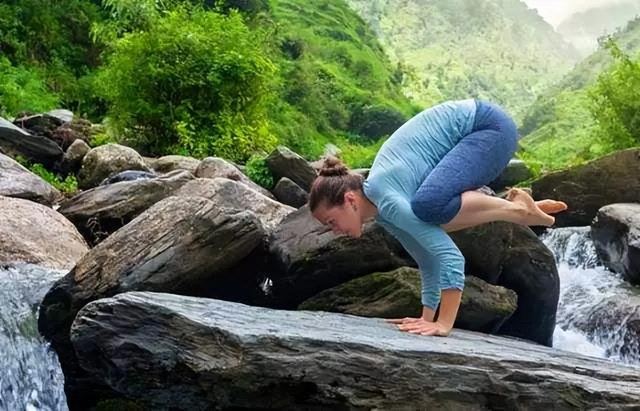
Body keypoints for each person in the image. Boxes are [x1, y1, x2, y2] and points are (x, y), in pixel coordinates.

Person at [308, 99, 567, 337]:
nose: (334, 231)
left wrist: (443, 324)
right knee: (429, 217)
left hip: (489, 128)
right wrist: (426, 316)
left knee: (428, 207)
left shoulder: (387, 198)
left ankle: (516, 211)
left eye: (331, 221)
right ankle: (515, 208)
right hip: (481, 134)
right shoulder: (385, 212)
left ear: (350, 200)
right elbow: (426, 258)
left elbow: (450, 256)